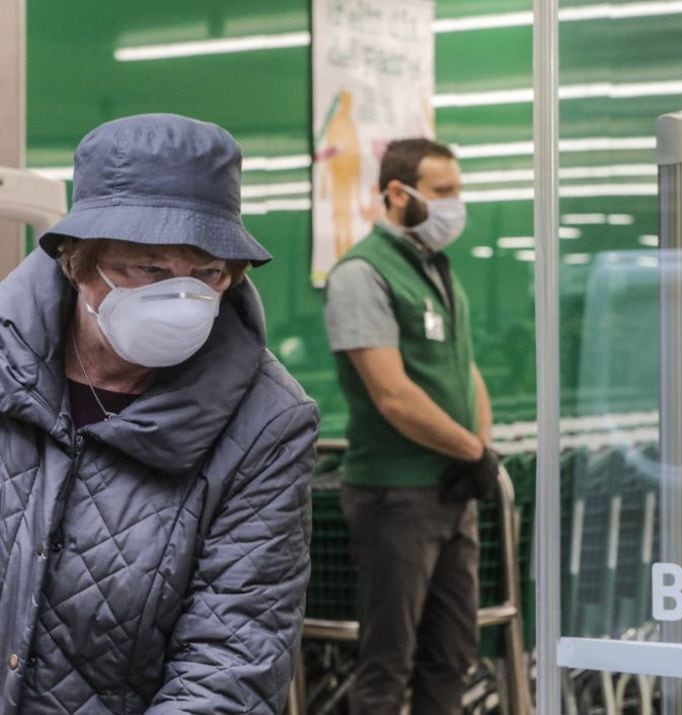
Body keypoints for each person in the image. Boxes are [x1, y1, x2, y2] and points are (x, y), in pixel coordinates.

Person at [0, 114, 320, 714]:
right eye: (147, 268)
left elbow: (230, 662)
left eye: (207, 274)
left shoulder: (266, 424)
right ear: (76, 260)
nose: (181, 299)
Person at [323, 138, 497, 715]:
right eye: (442, 192)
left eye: (457, 191)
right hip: (394, 495)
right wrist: (472, 452)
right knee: (387, 663)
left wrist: (480, 449)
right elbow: (393, 395)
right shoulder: (361, 274)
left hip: (451, 487)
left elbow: (463, 367)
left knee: (451, 655)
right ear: (398, 193)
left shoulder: (436, 269)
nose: (455, 205)